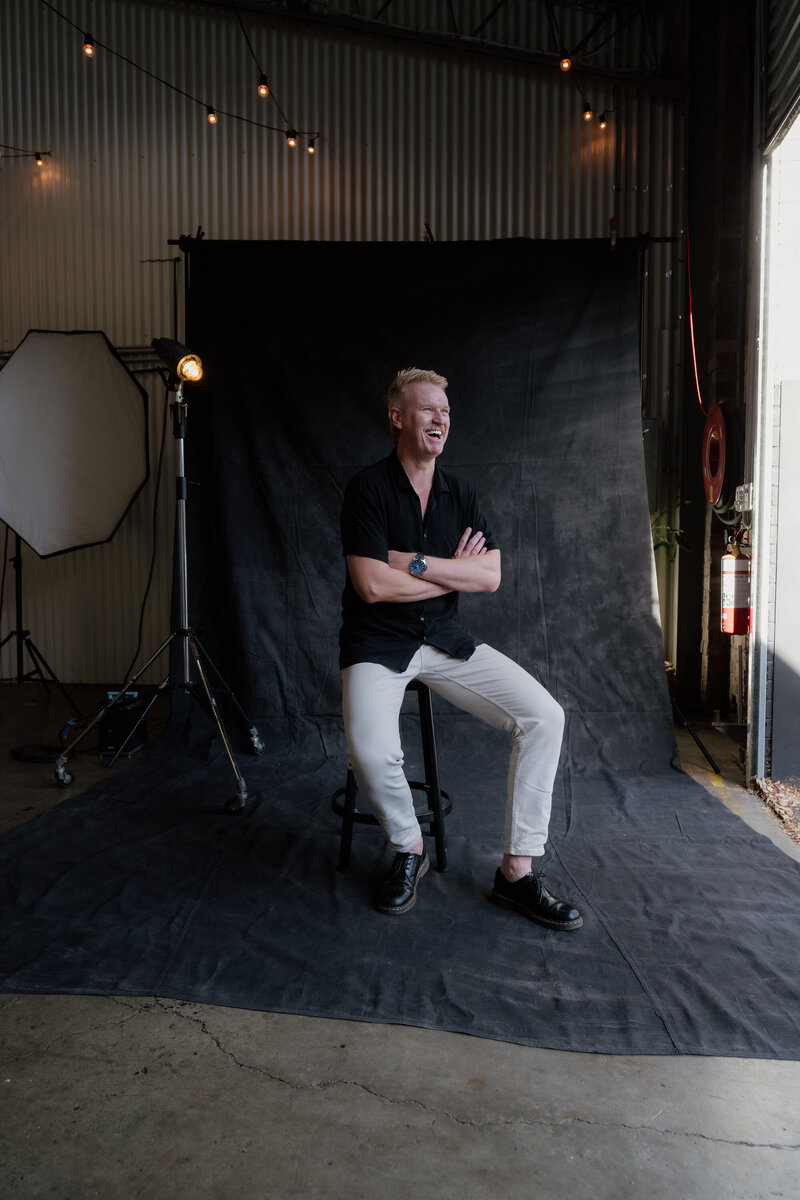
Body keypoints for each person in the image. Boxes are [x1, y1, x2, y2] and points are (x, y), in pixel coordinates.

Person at [339, 368, 582, 931]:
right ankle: (409, 847)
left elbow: (490, 576)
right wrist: (454, 572)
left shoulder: (461, 493)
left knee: (545, 716)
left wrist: (414, 564)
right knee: (370, 752)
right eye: (428, 410)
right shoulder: (367, 489)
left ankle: (516, 873)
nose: (440, 420)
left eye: (445, 412)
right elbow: (370, 586)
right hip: (377, 642)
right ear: (398, 417)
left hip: (444, 640)